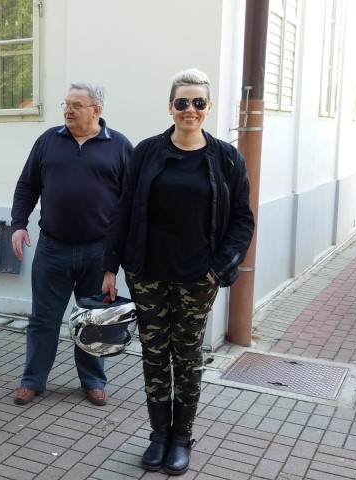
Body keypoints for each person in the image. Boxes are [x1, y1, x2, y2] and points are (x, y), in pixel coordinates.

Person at [102, 69, 254, 476]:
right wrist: (109, 267)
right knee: (154, 353)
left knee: (187, 356)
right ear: (170, 107)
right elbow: (123, 209)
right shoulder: (146, 152)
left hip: (197, 277)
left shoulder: (226, 158)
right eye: (182, 102)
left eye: (198, 102)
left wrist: (219, 267)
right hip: (147, 273)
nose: (190, 109)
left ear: (208, 107)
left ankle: (181, 437)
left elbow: (242, 219)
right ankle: (158, 434)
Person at [10, 82, 133, 407]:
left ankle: (93, 381)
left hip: (98, 251)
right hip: (53, 248)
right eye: (66, 104)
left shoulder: (120, 146)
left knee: (95, 320)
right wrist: (18, 225)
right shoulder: (48, 140)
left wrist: (118, 255)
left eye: (76, 105)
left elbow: (130, 204)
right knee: (43, 320)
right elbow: (27, 186)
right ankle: (32, 380)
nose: (68, 110)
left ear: (96, 110)